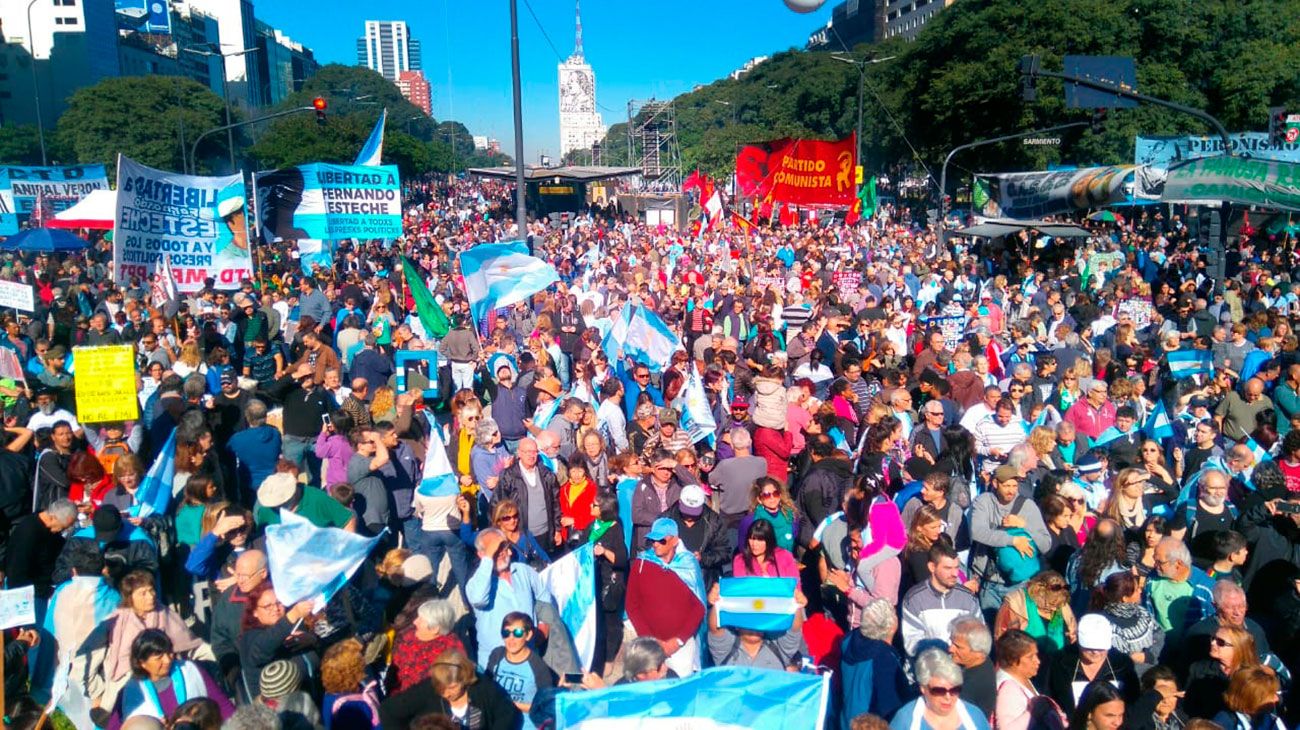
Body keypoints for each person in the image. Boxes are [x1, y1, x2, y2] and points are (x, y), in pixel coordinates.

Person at [624, 517, 706, 677]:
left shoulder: (688, 564)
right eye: (653, 540)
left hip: (681, 647)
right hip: (648, 646)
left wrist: (678, 641)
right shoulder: (641, 564)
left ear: (675, 540)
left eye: (661, 540)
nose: (655, 544)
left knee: (681, 692)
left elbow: (698, 607)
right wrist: (651, 640)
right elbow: (632, 605)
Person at [105, 629, 233, 730]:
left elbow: (225, 708)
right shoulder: (130, 693)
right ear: (141, 662)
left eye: (169, 653)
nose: (167, 660)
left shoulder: (191, 671)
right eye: (159, 657)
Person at [378, 649, 521, 730]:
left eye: (452, 687)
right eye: (442, 687)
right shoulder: (428, 689)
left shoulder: (484, 688)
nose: (446, 693)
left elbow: (508, 716)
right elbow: (387, 710)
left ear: (465, 678)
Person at [1042, 614, 1140, 715]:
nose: (1095, 652)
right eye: (1089, 647)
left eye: (1101, 648)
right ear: (1078, 641)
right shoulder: (1058, 663)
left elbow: (1133, 701)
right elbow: (1048, 698)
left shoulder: (1123, 665)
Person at [900, 541, 981, 656]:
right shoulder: (914, 599)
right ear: (932, 567)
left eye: (956, 567)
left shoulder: (968, 598)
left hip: (960, 667)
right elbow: (912, 643)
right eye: (948, 568)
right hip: (928, 667)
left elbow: (978, 634)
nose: (955, 574)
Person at [705, 579, 806, 670]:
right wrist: (717, 603)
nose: (753, 628)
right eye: (748, 622)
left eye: (758, 622)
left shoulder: (778, 648)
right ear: (738, 626)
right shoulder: (726, 649)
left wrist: (795, 604)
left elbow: (794, 629)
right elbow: (715, 628)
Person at [889, 647, 991, 730]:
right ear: (923, 688)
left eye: (954, 690)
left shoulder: (974, 716)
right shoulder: (905, 720)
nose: (948, 697)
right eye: (939, 690)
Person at [995, 629, 1066, 730]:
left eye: (1036, 655)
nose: (1037, 661)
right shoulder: (1007, 689)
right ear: (1013, 660)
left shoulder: (1021, 678)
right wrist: (1033, 711)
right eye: (1030, 657)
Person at [389, 598, 465, 693]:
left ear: (435, 629)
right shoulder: (410, 635)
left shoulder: (449, 655)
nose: (415, 622)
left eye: (421, 620)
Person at [994, 570, 1078, 656]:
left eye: (1058, 605)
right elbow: (1001, 641)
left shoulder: (1062, 606)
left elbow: (1073, 636)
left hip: (1056, 664)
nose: (1054, 608)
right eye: (1051, 603)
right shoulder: (1016, 605)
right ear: (1038, 592)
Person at [949, 616, 997, 719]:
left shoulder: (968, 689)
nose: (950, 649)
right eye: (952, 643)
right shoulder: (983, 662)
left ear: (978, 653)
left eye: (958, 647)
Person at [1211, 666, 1286, 730]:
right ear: (1252, 698)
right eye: (1270, 695)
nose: (1277, 699)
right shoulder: (1224, 722)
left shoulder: (1270, 718)